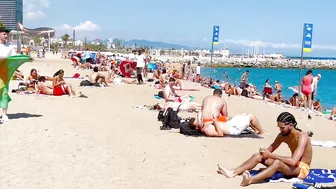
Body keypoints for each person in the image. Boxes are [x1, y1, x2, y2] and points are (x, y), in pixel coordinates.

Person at [217, 112, 312, 187]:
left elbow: (293, 161)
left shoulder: (302, 136)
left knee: (277, 163)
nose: (280, 130)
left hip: (302, 168)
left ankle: (250, 180)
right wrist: (263, 153)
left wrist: (271, 156)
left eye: (282, 128)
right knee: (258, 156)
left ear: (291, 125)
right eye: (279, 127)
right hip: (292, 166)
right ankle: (232, 172)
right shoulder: (282, 135)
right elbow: (269, 151)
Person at [0, 26, 17, 123]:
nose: (6, 36)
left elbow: (16, 57)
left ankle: (4, 114)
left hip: (4, 74)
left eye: (7, 34)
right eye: (4, 34)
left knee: (4, 93)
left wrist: (26, 58)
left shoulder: (10, 48)